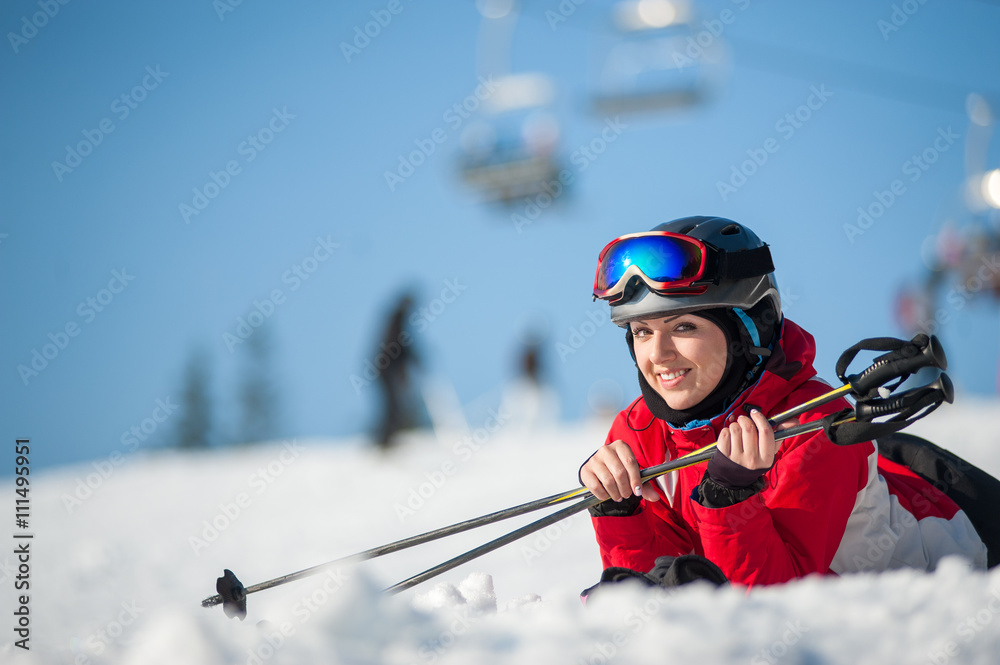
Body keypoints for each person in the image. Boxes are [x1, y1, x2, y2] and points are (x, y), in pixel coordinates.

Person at [579, 216, 988, 591]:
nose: (658, 354)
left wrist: (729, 498)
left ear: (751, 328)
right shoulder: (638, 432)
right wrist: (620, 513)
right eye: (642, 332)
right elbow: (657, 597)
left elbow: (777, 608)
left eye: (683, 326)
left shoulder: (815, 427)